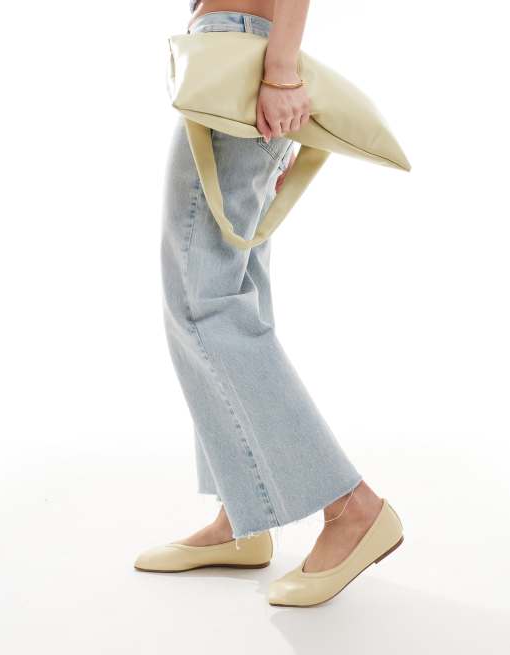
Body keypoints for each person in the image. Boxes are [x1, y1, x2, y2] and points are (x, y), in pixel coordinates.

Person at [134, 0, 404, 607]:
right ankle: (245, 514)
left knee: (204, 302)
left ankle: (353, 508)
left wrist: (281, 73)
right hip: (238, 60)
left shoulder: (265, 66)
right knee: (231, 290)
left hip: (246, 62)